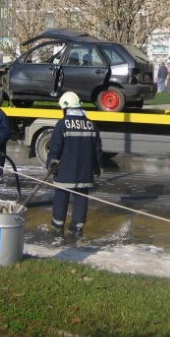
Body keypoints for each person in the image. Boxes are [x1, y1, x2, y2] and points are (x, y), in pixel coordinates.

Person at [46, 91, 102, 238]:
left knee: (61, 198)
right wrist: (97, 168)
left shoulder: (62, 124)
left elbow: (55, 148)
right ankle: (77, 229)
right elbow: (97, 150)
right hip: (85, 173)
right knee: (81, 200)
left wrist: (51, 163)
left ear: (65, 108)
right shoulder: (91, 124)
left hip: (65, 171)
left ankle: (58, 228)